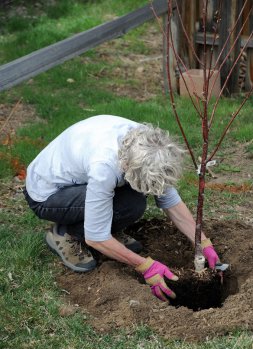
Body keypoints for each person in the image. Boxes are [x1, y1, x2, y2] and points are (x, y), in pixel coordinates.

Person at [23, 115, 220, 302]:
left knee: (135, 203)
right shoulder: (104, 167)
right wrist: (145, 266)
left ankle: (107, 230)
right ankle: (65, 233)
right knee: (123, 208)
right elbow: (96, 236)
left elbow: (170, 201)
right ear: (127, 165)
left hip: (82, 178)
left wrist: (203, 242)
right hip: (48, 194)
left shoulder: (148, 145)